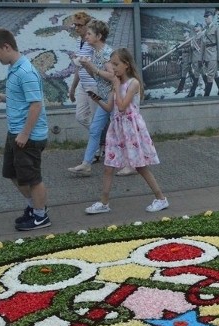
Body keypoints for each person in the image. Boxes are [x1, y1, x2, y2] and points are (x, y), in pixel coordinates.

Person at [84, 48, 168, 215]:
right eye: (111, 64)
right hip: (116, 129)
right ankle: (104, 202)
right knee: (109, 166)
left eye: (116, 64)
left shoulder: (133, 84)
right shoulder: (116, 85)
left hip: (131, 129)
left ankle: (161, 198)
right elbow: (110, 108)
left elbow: (122, 107)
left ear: (126, 65)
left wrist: (115, 86)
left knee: (140, 166)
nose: (112, 68)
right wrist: (97, 99)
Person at [0, 28, 51, 231]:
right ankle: (33, 207)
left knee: (32, 178)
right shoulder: (14, 68)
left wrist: (25, 133)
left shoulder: (25, 71)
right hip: (15, 132)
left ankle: (41, 216)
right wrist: (1, 98)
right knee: (12, 174)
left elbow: (36, 105)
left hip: (27, 136)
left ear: (6, 47)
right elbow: (22, 99)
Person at [67, 20, 115, 176]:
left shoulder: (107, 53)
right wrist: (86, 66)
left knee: (121, 131)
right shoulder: (95, 53)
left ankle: (134, 162)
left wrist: (92, 67)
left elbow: (113, 77)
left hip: (113, 98)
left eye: (89, 33)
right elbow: (95, 76)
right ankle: (86, 164)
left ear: (99, 36)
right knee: (94, 129)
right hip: (103, 97)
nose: (85, 36)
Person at [68, 11, 97, 132]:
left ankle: (102, 144)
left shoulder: (92, 43)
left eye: (80, 25)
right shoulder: (78, 42)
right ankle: (102, 137)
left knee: (96, 118)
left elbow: (97, 66)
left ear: (87, 25)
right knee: (80, 117)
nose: (77, 28)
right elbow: (78, 68)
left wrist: (82, 62)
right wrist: (73, 88)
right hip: (83, 84)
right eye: (75, 25)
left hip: (93, 84)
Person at [201, 9, 219, 96]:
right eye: (205, 17)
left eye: (207, 17)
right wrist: (202, 58)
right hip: (207, 56)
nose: (205, 19)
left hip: (213, 55)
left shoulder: (217, 28)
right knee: (215, 74)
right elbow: (203, 45)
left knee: (210, 76)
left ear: (211, 17)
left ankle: (206, 97)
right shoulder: (206, 30)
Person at [187, 22, 204, 98]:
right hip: (194, 59)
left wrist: (202, 59)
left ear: (201, 27)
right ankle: (207, 86)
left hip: (199, 59)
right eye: (195, 26)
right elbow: (191, 50)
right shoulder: (193, 37)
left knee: (197, 75)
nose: (195, 28)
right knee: (202, 74)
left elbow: (202, 48)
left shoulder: (202, 36)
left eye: (197, 26)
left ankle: (192, 92)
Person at [174, 27, 192, 95]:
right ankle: (196, 84)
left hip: (188, 59)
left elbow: (190, 51)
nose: (184, 34)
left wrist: (190, 61)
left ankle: (179, 89)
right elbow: (181, 51)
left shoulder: (190, 40)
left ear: (188, 33)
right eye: (183, 32)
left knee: (183, 74)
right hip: (184, 59)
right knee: (191, 73)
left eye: (185, 32)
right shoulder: (184, 41)